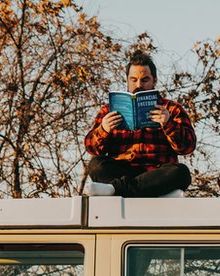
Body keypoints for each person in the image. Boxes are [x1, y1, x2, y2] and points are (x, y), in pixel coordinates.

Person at [83, 52, 196, 198]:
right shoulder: (109, 109)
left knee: (181, 172)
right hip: (121, 170)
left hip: (156, 173)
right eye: (133, 80)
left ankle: (115, 190)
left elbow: (188, 147)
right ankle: (145, 191)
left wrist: (168, 124)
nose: (138, 85)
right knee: (96, 165)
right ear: (127, 80)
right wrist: (104, 129)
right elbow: (92, 148)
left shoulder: (171, 109)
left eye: (144, 80)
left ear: (154, 80)